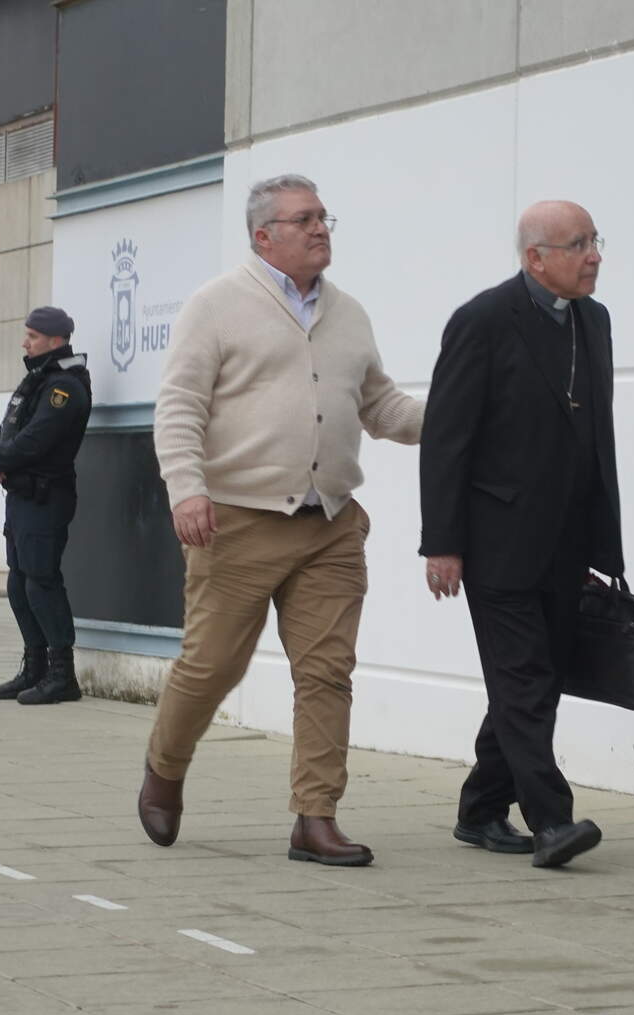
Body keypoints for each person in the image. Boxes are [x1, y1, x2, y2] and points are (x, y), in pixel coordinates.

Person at [138, 174, 422, 866]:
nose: (321, 228)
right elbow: (178, 406)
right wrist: (187, 489)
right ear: (263, 235)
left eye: (325, 217)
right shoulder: (216, 306)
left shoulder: (349, 313)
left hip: (330, 524)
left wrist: (463, 416)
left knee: (327, 673)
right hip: (234, 520)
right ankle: (165, 768)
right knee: (211, 667)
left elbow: (381, 407)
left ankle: (314, 816)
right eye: (304, 220)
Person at [419, 200, 624, 869]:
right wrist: (442, 543)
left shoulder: (594, 321)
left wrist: (604, 547)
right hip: (497, 542)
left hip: (567, 545)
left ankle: (480, 807)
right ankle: (553, 821)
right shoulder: (482, 321)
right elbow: (446, 441)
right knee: (525, 678)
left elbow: (597, 441)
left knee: (537, 680)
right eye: (578, 244)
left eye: (596, 240)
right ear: (536, 257)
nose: (594, 255)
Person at [0, 307, 92, 706]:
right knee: (19, 581)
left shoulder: (65, 386)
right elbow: (7, 429)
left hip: (47, 496)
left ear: (55, 339)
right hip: (22, 496)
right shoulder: (36, 380)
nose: (25, 342)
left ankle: (63, 675)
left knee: (41, 581)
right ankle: (35, 668)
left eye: (32, 336)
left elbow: (38, 437)